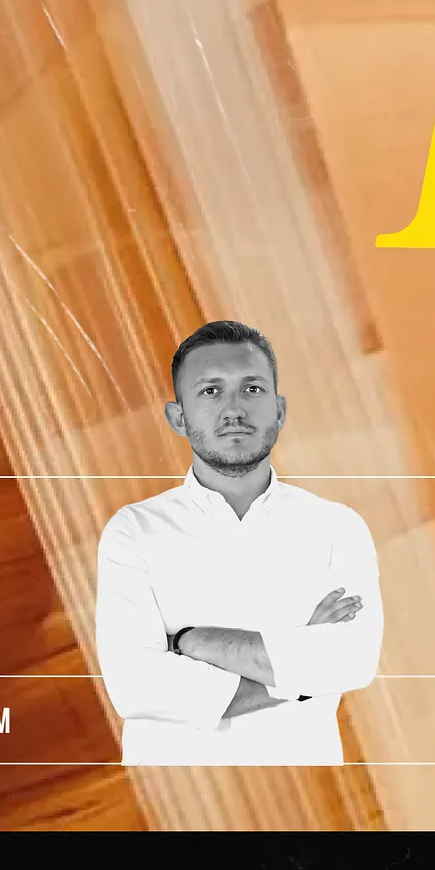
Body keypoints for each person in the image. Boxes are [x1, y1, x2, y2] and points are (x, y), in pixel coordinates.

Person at [92, 319, 386, 767]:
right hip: (179, 789)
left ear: (280, 410)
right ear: (178, 418)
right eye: (211, 391)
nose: (234, 409)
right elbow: (135, 686)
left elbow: (351, 661)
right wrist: (297, 665)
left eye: (252, 390)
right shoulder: (133, 531)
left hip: (309, 781)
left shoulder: (337, 527)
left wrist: (192, 640)